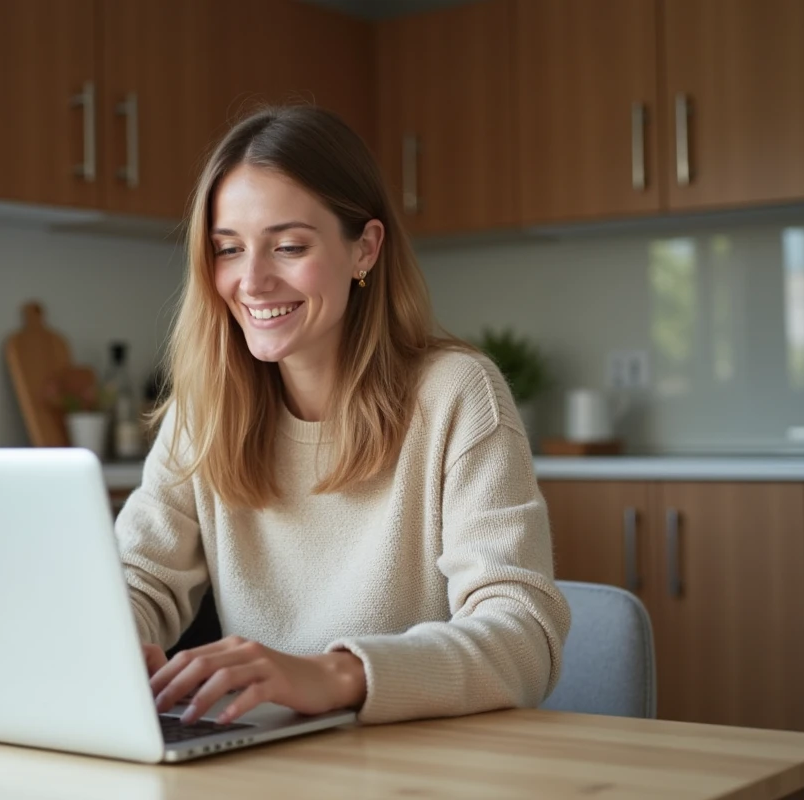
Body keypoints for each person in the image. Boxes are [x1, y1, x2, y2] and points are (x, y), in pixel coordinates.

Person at [113, 105, 571, 727]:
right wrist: (107, 638)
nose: (251, 281)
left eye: (289, 246)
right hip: (271, 761)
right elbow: (137, 577)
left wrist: (333, 674)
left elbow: (525, 638)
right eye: (228, 249)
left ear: (365, 249)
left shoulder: (456, 395)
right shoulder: (207, 404)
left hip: (423, 765)